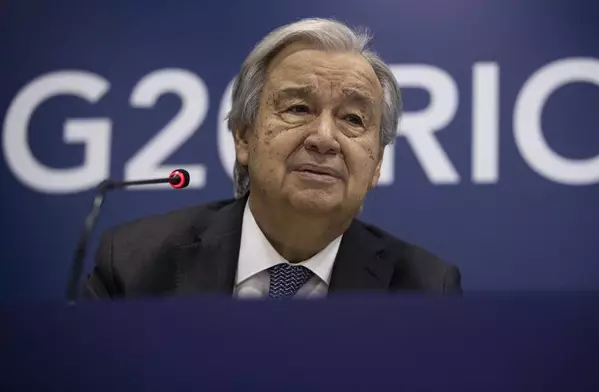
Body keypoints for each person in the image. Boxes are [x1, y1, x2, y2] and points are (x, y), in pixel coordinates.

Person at [82, 18, 462, 300]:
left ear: (377, 162)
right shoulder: (137, 265)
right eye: (298, 108)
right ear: (243, 136)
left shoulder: (425, 291)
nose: (324, 139)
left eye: (352, 119)